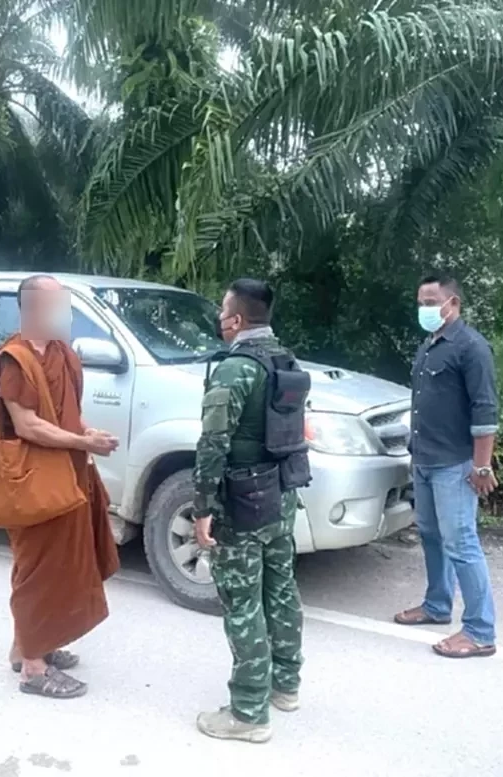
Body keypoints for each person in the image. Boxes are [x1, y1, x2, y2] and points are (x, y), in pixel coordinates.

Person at [0, 274, 121, 698]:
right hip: (30, 481)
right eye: (57, 305)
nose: (65, 313)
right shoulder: (14, 359)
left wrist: (89, 434)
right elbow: (28, 424)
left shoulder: (62, 354)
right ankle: (33, 671)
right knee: (37, 569)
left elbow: (65, 416)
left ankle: (28, 648)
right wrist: (81, 441)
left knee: (60, 566)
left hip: (68, 473)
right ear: (32, 308)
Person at [192, 278, 309, 744]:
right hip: (282, 494)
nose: (221, 318)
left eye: (224, 310)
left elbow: (213, 442)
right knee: (280, 588)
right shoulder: (287, 360)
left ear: (236, 319)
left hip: (242, 500)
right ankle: (285, 685)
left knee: (243, 600)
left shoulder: (235, 369)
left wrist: (202, 506)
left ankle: (248, 712)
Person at [394, 273, 499, 659]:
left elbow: (485, 411)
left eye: (431, 302)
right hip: (424, 459)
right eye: (420, 302)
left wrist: (482, 466)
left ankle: (480, 630)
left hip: (455, 465)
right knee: (432, 536)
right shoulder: (429, 346)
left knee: (462, 543)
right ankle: (437, 605)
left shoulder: (471, 348)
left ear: (452, 303)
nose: (424, 309)